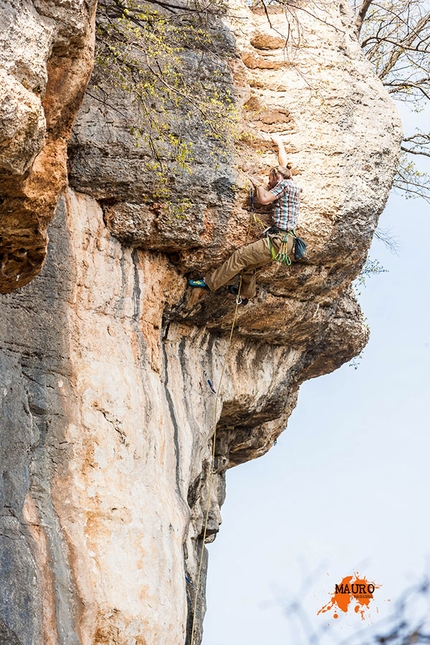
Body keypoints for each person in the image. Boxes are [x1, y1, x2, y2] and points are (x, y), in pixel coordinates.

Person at [188, 135, 302, 303]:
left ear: (277, 178)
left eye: (270, 179)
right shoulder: (292, 183)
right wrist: (280, 144)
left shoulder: (283, 185)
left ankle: (208, 282)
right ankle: (245, 294)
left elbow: (264, 199)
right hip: (286, 243)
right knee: (250, 264)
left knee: (240, 256)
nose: (269, 183)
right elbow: (283, 165)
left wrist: (258, 185)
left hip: (278, 240)